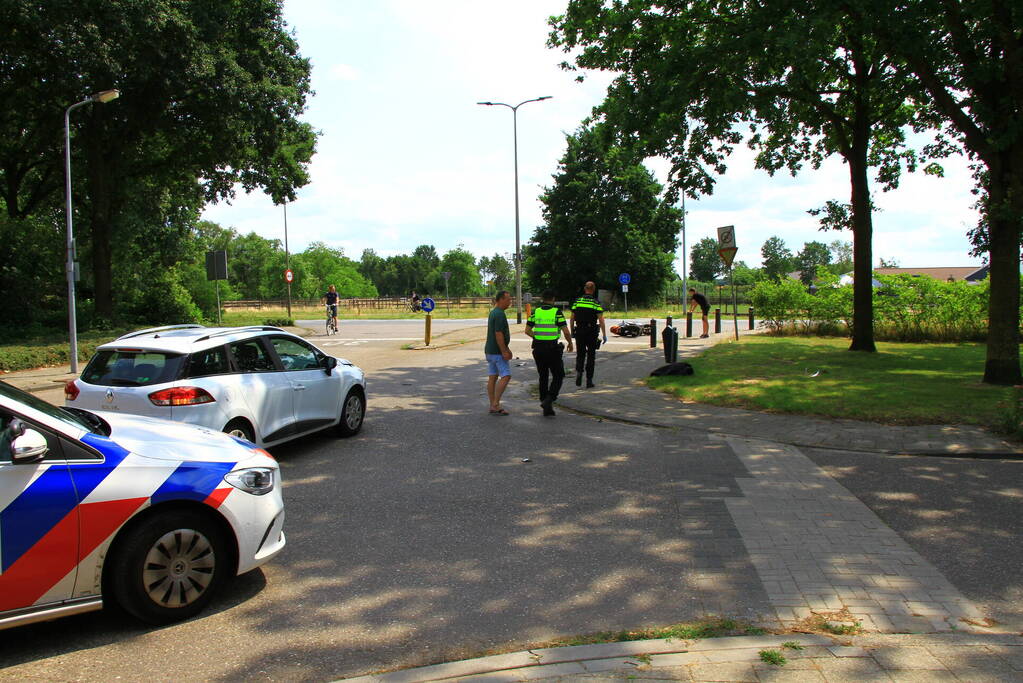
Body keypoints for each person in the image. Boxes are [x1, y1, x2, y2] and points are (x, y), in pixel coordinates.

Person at [525, 290, 574, 417]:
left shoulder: (536, 312)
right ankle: (549, 399)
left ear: (542, 298)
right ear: (553, 299)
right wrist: (570, 343)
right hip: (552, 349)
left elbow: (527, 330)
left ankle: (546, 405)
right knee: (558, 375)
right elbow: (566, 332)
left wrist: (537, 337)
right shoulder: (556, 312)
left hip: (538, 349)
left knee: (543, 376)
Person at [570, 281, 607, 388]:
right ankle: (589, 380)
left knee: (580, 354)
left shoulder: (577, 301)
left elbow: (572, 318)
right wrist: (604, 334)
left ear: (584, 289)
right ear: (593, 290)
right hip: (591, 331)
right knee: (591, 355)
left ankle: (579, 372)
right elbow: (601, 320)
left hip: (580, 330)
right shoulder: (595, 303)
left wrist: (572, 331)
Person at [485, 290, 513, 415]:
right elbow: (498, 334)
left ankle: (493, 405)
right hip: (497, 352)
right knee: (506, 376)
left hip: (490, 351)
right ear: (501, 299)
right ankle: (496, 403)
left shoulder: (493, 312)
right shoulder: (500, 314)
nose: (510, 302)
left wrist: (507, 348)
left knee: (493, 377)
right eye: (508, 299)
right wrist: (504, 351)